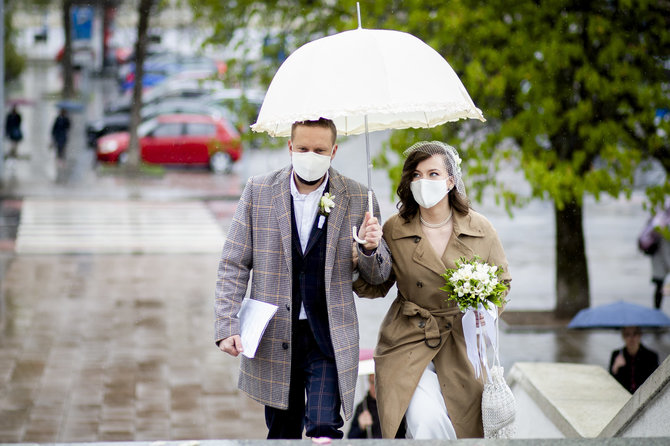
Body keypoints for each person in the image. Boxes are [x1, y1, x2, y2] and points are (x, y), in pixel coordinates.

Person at [215, 118, 392, 439]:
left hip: (328, 335)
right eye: (303, 148)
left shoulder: (357, 197)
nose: (311, 155)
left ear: (334, 151)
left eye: (320, 150)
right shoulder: (259, 191)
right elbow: (233, 263)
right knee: (282, 430)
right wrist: (227, 325)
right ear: (290, 148)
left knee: (324, 427)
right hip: (274, 333)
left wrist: (370, 248)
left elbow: (379, 278)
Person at [354, 141, 511, 439]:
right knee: (426, 424)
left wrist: (485, 312)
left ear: (451, 181)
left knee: (460, 428)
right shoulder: (394, 229)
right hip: (407, 341)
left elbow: (502, 283)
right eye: (416, 175)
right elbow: (374, 287)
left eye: (433, 174)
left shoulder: (481, 228)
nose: (423, 181)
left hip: (462, 346)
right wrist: (365, 252)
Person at [609, 326, 659, 393]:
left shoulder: (651, 356)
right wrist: (615, 368)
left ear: (640, 335)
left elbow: (655, 380)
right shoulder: (617, 355)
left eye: (635, 334)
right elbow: (610, 382)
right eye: (627, 334)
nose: (631, 338)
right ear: (623, 336)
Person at [649, 203, 670, 309]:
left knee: (659, 286)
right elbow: (666, 249)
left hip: (656, 259)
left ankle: (656, 312)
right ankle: (657, 312)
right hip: (661, 260)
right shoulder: (665, 225)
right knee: (660, 287)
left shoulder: (656, 221)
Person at [347, 373, 382, 439]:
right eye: (372, 382)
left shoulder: (392, 406)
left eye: (378, 382)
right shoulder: (362, 407)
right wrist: (360, 427)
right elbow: (350, 437)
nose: (375, 387)